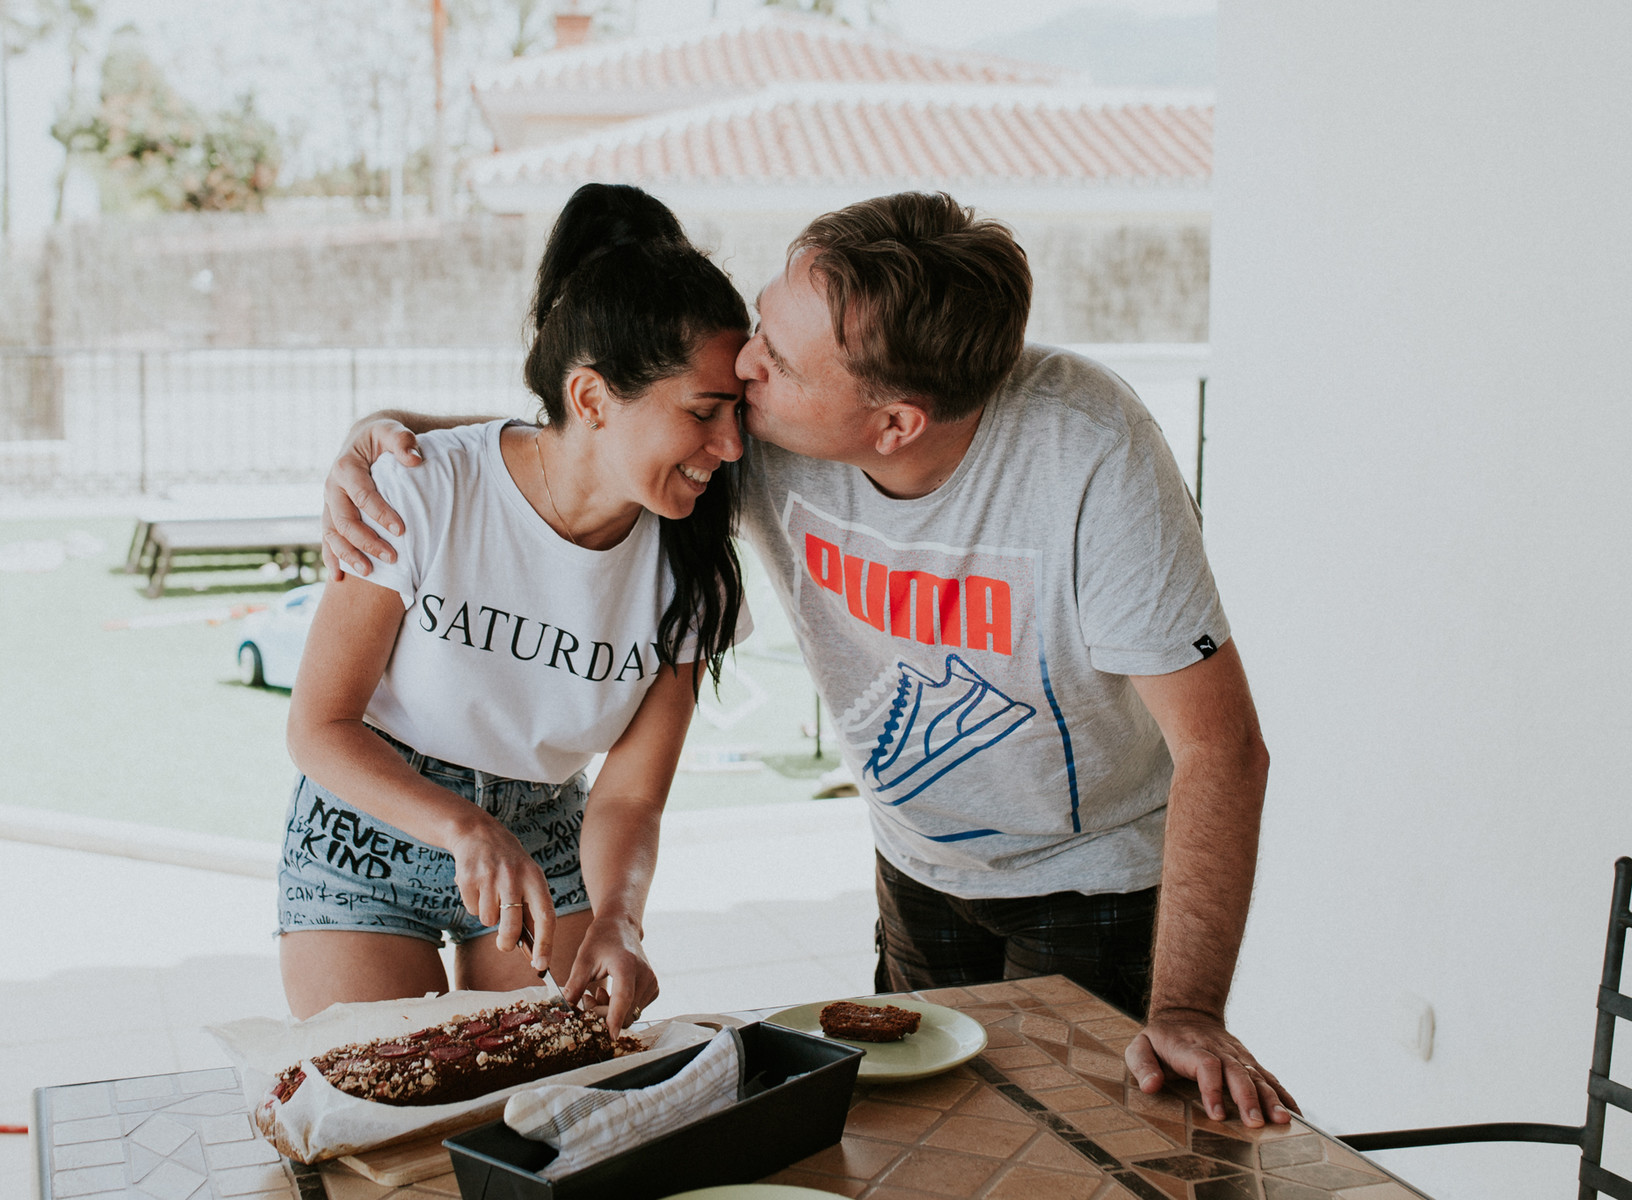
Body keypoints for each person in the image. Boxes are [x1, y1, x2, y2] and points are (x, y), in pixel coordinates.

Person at [322, 192, 1299, 1128]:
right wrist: (382, 443)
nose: (744, 365)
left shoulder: (1083, 452)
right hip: (915, 869)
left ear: (894, 423)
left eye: (779, 360)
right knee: (931, 1141)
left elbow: (1222, 748)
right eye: (760, 325)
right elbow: (590, 434)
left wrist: (1190, 1014)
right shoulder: (764, 427)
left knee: (1071, 1161)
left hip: (1092, 887)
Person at [277, 183, 751, 1035]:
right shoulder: (425, 491)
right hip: (368, 826)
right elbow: (320, 726)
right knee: (383, 1103)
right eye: (704, 414)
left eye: (737, 414)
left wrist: (619, 918)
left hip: (546, 830)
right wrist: (462, 825)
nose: (732, 447)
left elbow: (630, 800)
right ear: (594, 399)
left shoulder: (696, 571)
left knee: (542, 1107)